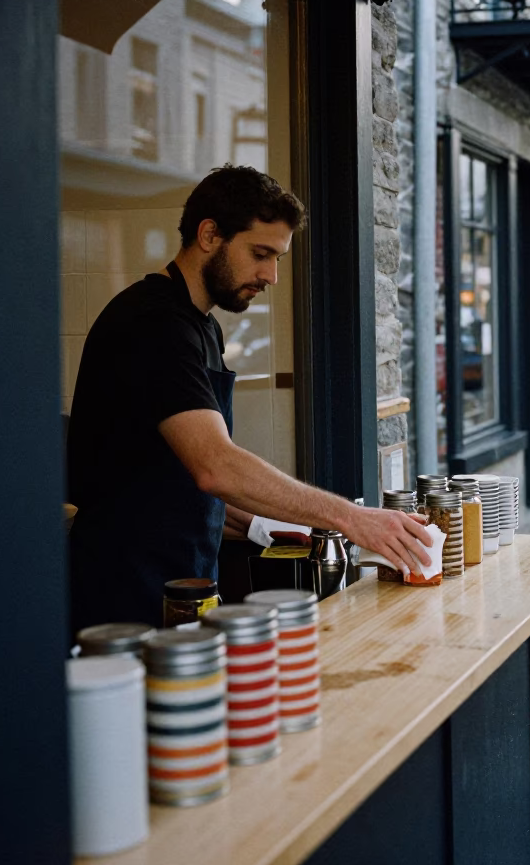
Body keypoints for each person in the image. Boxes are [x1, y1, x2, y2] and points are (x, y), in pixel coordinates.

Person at [68, 165, 430, 632]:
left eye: (277, 258)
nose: (272, 276)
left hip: (186, 582)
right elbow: (215, 465)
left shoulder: (202, 327)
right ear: (209, 234)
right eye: (261, 254)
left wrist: (272, 526)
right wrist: (352, 518)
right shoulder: (153, 323)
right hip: (126, 598)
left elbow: (176, 479)